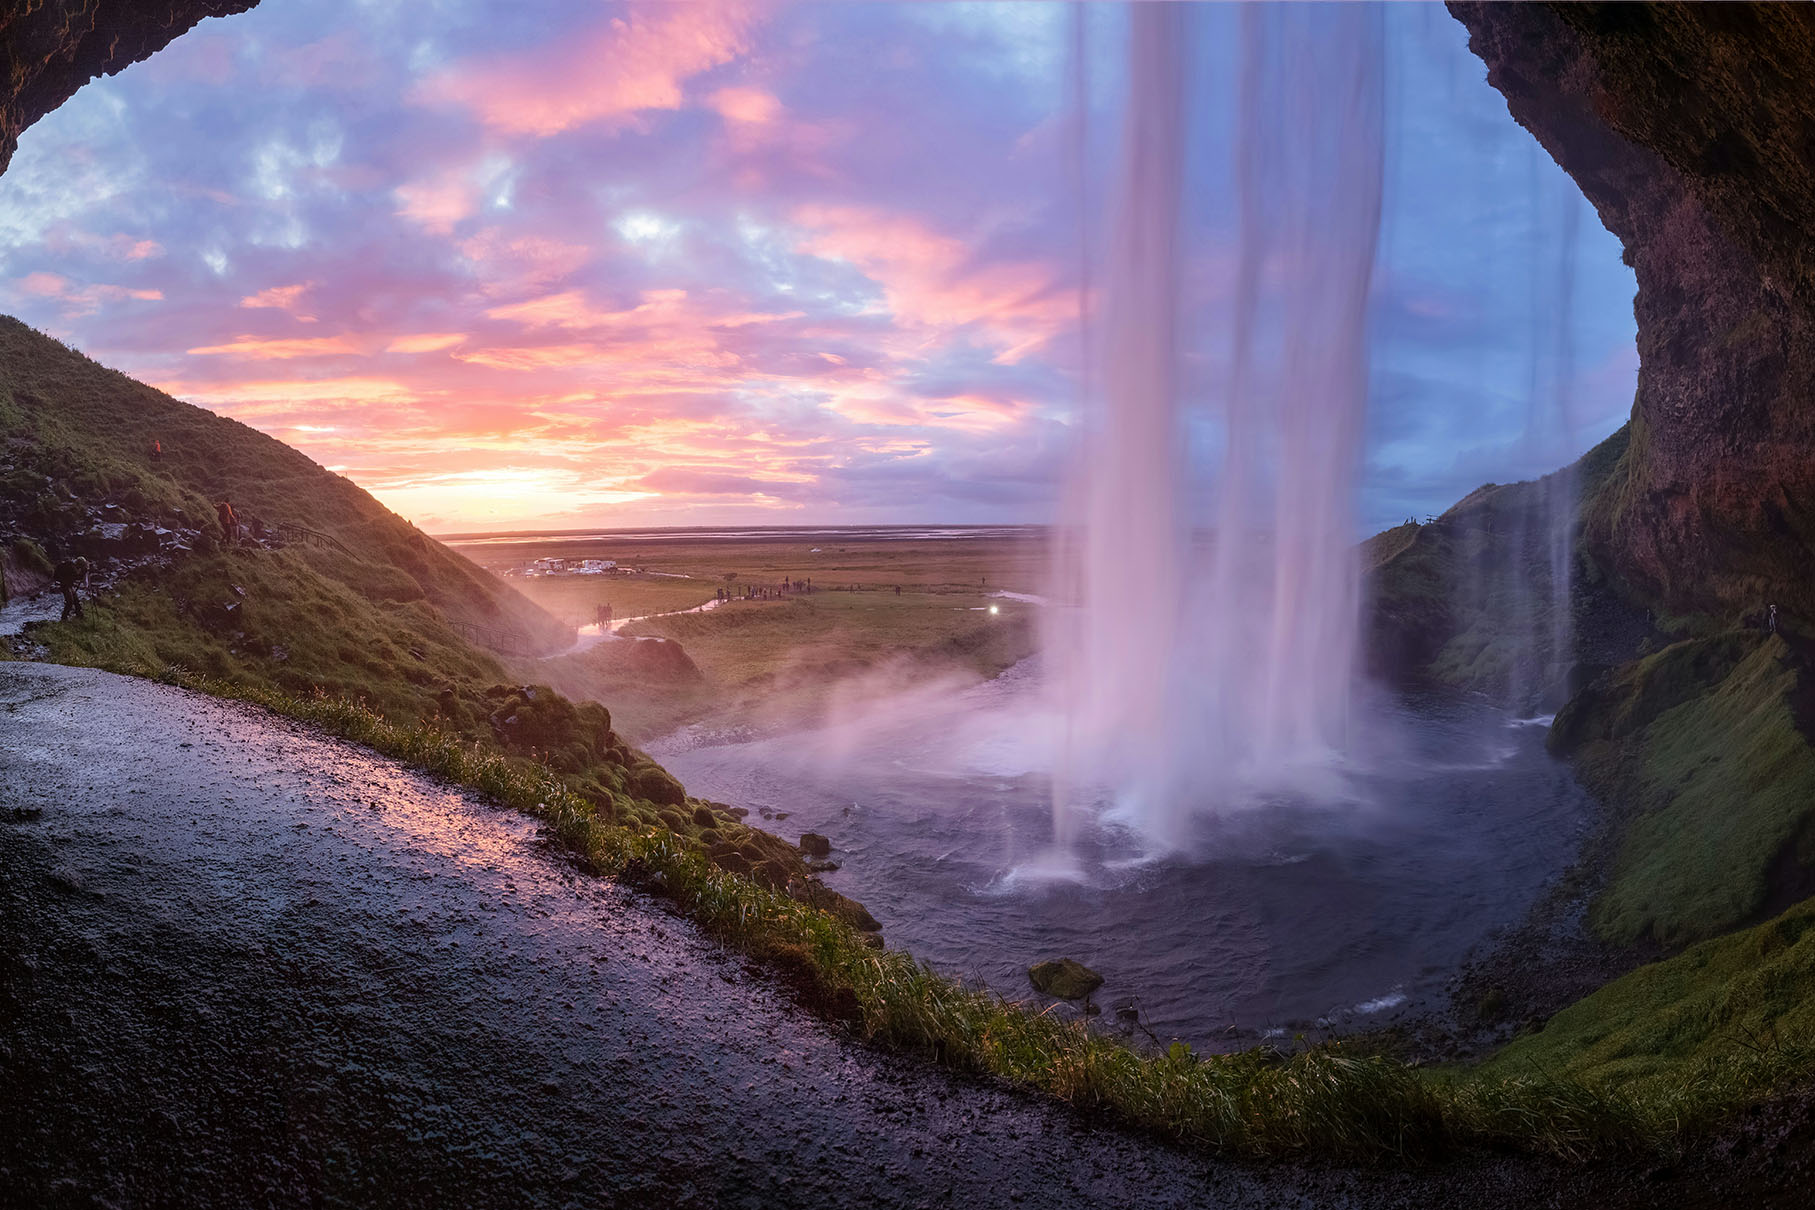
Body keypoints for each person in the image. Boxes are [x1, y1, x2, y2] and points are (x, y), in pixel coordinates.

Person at [54, 557, 86, 621]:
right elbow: (77, 577)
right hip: (65, 586)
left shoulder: (70, 565)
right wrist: (84, 572)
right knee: (70, 602)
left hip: (68, 585)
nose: (80, 567)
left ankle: (78, 614)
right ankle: (64, 618)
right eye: (81, 566)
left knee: (76, 600)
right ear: (79, 564)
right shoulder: (72, 567)